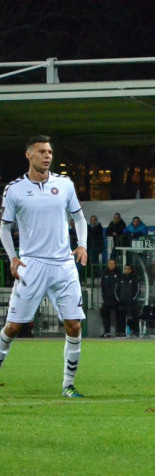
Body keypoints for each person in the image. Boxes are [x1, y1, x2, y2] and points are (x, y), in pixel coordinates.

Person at [0, 136, 88, 396]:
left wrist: (81, 244)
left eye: (49, 151)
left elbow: (79, 218)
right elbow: (4, 226)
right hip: (33, 265)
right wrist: (13, 257)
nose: (47, 156)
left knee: (74, 324)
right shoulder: (14, 189)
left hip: (64, 265)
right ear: (29, 155)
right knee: (13, 327)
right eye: (41, 151)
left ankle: (68, 385)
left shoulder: (64, 184)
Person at [115, 263, 140, 336]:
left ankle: (136, 332)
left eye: (128, 269)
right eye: (125, 268)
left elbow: (138, 289)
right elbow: (116, 290)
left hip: (132, 302)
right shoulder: (120, 278)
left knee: (134, 317)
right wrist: (119, 299)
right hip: (122, 301)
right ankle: (121, 332)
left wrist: (133, 299)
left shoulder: (135, 278)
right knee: (121, 317)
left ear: (131, 270)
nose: (126, 270)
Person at [99, 258, 120, 337]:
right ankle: (107, 332)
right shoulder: (105, 273)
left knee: (117, 316)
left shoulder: (118, 273)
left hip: (116, 299)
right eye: (110, 263)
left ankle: (118, 332)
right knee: (105, 316)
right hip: (107, 299)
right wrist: (104, 296)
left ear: (115, 264)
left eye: (113, 263)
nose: (111, 265)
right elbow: (102, 286)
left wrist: (118, 297)